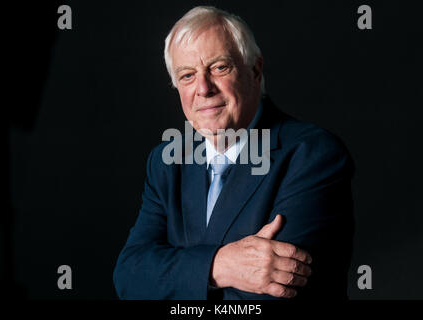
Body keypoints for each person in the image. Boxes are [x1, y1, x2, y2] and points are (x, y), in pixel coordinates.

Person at [113, 6, 354, 300]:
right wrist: (219, 266)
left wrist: (176, 280)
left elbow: (268, 299)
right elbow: (129, 277)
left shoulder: (311, 156)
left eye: (219, 67)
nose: (203, 88)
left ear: (254, 70)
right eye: (187, 75)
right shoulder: (166, 163)